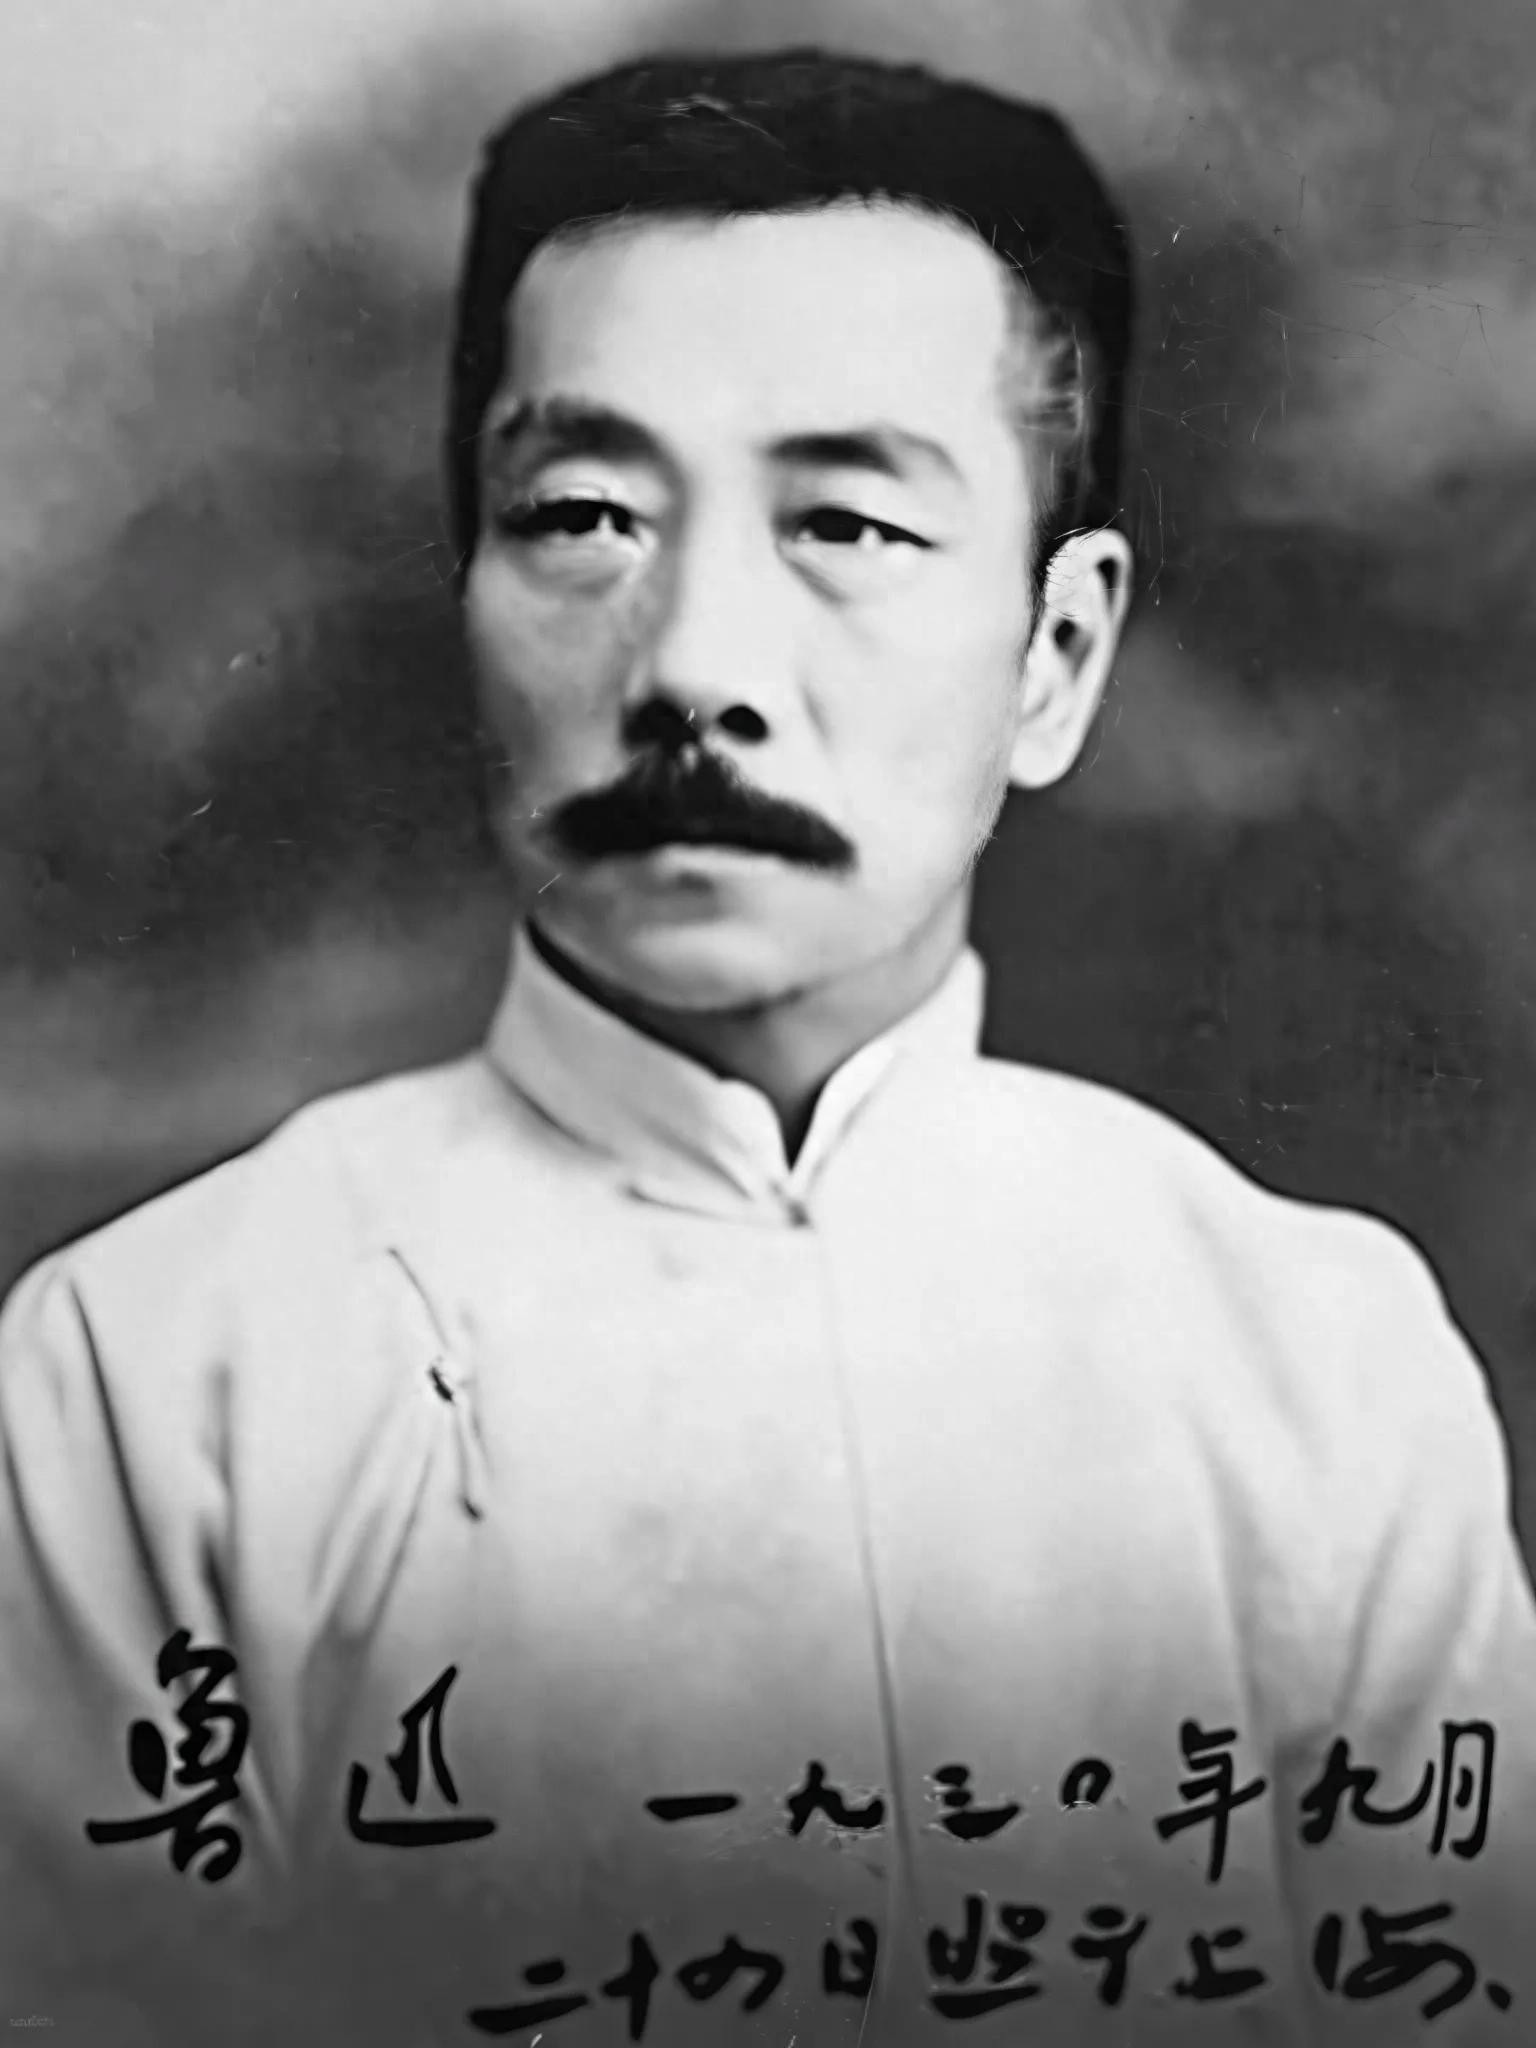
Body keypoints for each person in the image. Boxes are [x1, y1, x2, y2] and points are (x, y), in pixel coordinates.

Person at [0, 46, 1532, 2048]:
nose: (696, 672)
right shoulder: (151, 1382)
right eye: (582, 516)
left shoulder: (1317, 1365)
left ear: (1056, 657)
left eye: (851, 525)